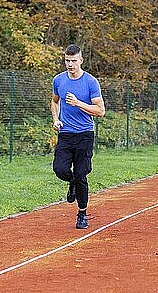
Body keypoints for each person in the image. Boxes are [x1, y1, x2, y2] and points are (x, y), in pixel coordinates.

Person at [51, 44, 105, 229]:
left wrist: (78, 103)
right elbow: (54, 101)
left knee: (82, 174)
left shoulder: (90, 82)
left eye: (74, 61)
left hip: (84, 135)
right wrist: (56, 119)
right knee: (59, 169)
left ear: (81, 61)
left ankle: (82, 213)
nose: (70, 64)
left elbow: (100, 111)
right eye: (67, 61)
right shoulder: (58, 80)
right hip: (65, 134)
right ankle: (71, 181)